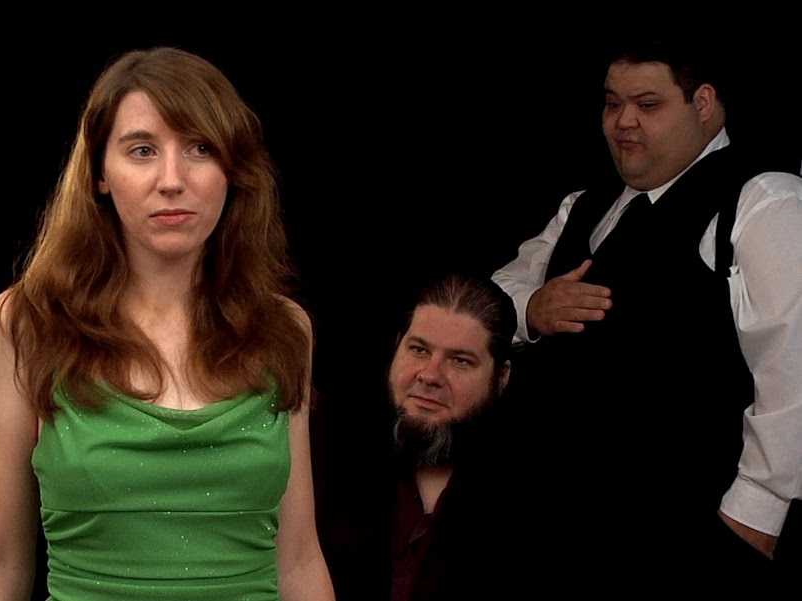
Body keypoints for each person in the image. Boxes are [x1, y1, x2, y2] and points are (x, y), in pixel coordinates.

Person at [0, 46, 335, 601]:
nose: (172, 179)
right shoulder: (27, 323)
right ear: (100, 173)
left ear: (233, 168)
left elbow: (299, 559)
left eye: (200, 148)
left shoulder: (282, 329)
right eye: (142, 150)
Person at [491, 37, 801, 584]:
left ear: (703, 103)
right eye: (612, 103)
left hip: (684, 537)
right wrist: (531, 309)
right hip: (544, 530)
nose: (623, 121)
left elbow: (793, 371)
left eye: (648, 104)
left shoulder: (765, 202)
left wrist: (753, 517)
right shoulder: (585, 205)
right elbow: (493, 296)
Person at [319, 272, 518, 600]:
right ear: (397, 346)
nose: (430, 375)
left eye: (460, 360)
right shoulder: (328, 451)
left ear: (501, 377)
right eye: (419, 350)